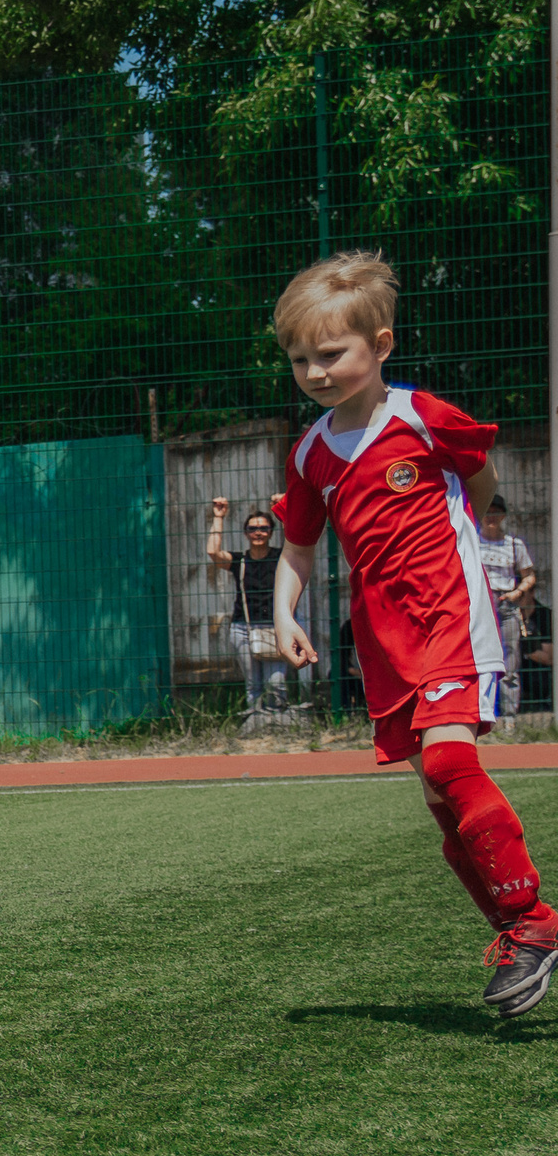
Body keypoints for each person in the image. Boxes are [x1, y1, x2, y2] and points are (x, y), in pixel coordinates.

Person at [269, 251, 558, 1018]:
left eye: (331, 353)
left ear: (381, 345)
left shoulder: (422, 418)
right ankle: (520, 935)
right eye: (301, 358)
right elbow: (299, 546)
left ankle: (534, 923)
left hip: (450, 617)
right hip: (383, 640)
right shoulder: (309, 453)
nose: (316, 370)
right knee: (437, 792)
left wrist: (471, 530)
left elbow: (481, 475)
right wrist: (284, 612)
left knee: (450, 758)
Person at [206, 497, 290, 721]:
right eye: (253, 529)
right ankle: (257, 724)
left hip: (276, 627)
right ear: (246, 533)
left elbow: (296, 541)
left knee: (276, 682)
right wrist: (219, 517)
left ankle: (279, 723)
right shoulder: (239, 560)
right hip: (244, 626)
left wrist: (284, 508)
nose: (259, 533)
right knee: (253, 683)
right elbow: (213, 553)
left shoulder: (281, 557)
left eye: (264, 528)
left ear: (272, 532)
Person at [477, 494, 538, 718]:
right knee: (477, 660)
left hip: (507, 604)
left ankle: (509, 717)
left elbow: (529, 576)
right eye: (487, 511)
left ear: (502, 516)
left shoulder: (514, 544)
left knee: (509, 659)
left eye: (495, 512)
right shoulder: (473, 541)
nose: (490, 516)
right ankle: (480, 715)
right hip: (480, 604)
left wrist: (518, 592)